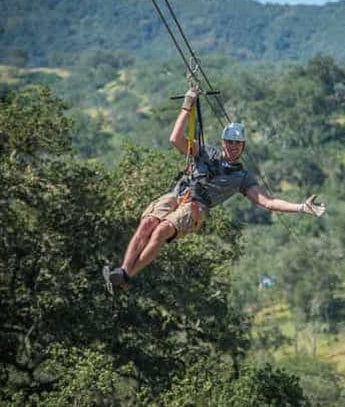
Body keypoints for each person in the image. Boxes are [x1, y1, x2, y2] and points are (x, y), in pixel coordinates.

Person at [103, 87, 326, 293]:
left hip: (195, 208)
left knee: (161, 230)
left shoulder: (242, 177)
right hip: (178, 194)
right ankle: (123, 271)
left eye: (237, 144)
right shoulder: (205, 152)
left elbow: (268, 202)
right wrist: (187, 106)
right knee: (148, 224)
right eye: (229, 142)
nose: (233, 147)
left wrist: (301, 207)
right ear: (223, 142)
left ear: (243, 146)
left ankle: (126, 276)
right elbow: (175, 139)